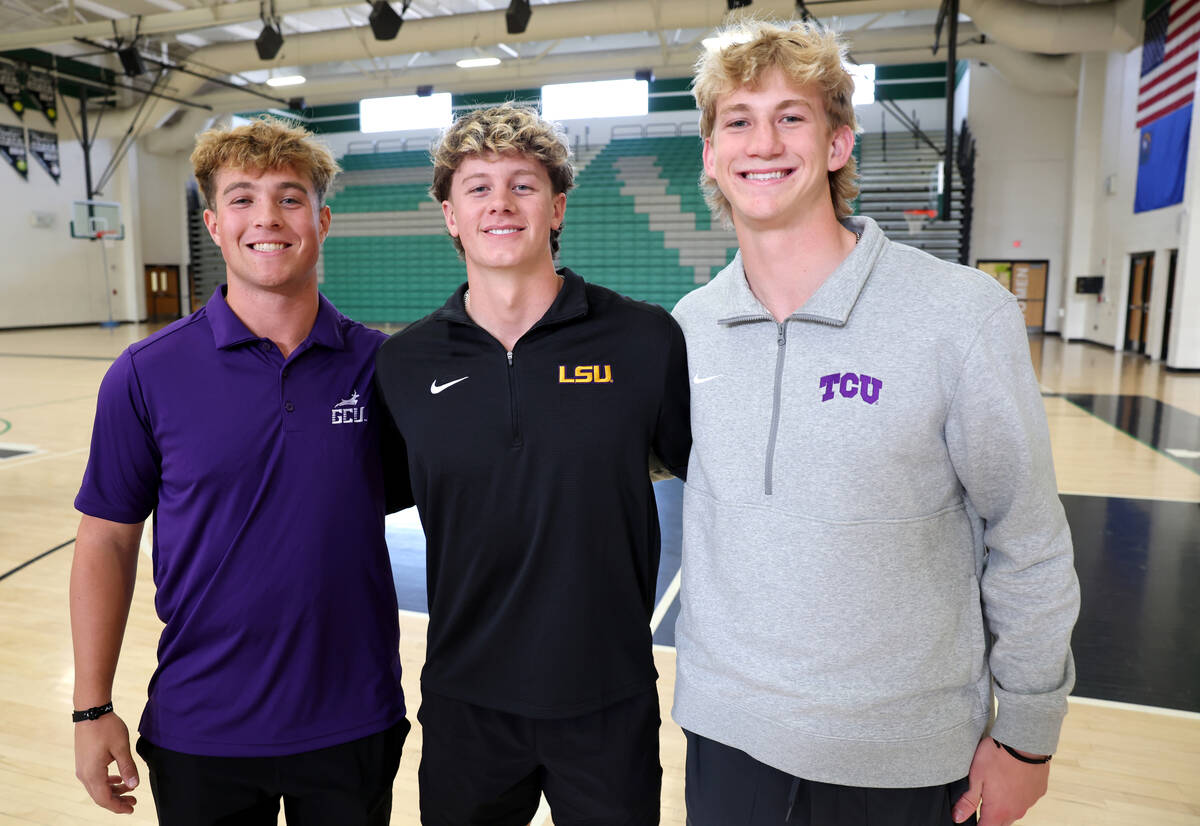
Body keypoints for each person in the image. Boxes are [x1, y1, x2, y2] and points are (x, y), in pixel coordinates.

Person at [670, 20, 1080, 826]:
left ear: (837, 144)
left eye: (792, 116)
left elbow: (1027, 537)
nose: (764, 141)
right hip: (725, 739)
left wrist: (1029, 737)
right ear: (713, 155)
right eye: (738, 120)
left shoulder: (958, 316)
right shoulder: (686, 329)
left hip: (901, 753)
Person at [70, 116, 408, 823]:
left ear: (322, 220)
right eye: (244, 198)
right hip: (203, 726)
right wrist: (91, 706)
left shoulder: (382, 368)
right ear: (215, 224)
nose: (268, 218)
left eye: (290, 198)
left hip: (352, 717)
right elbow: (105, 540)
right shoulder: (145, 373)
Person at [374, 103, 691, 826]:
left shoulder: (645, 340)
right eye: (477, 187)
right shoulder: (404, 362)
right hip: (465, 704)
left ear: (557, 208)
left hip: (607, 701)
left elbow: (716, 481)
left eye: (523, 184)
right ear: (450, 216)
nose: (500, 203)